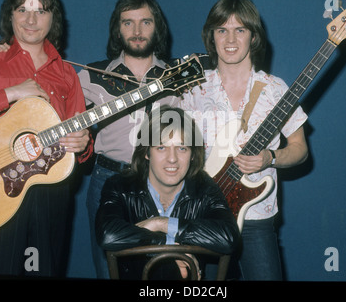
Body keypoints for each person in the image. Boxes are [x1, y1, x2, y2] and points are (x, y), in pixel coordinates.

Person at [0, 0, 91, 277]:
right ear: (10, 15)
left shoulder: (66, 74)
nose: (31, 20)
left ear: (52, 18)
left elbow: (80, 141)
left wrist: (83, 144)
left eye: (41, 11)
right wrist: (9, 94)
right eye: (23, 9)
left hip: (51, 192)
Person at [179, 0, 309, 280]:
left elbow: (300, 149)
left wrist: (270, 158)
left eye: (240, 30)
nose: (230, 39)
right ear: (211, 37)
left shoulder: (276, 89)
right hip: (204, 214)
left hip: (257, 216)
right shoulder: (194, 89)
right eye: (221, 29)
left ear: (253, 37)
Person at [77, 0, 179, 278]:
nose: (136, 32)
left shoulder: (178, 76)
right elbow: (53, 106)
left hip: (161, 184)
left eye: (145, 22)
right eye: (128, 23)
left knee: (161, 271)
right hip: (106, 180)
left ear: (157, 27)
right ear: (117, 28)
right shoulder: (91, 75)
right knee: (109, 269)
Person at [95, 106, 240, 280]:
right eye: (161, 148)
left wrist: (160, 223)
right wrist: (170, 244)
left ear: (193, 154)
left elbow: (228, 237)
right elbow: (108, 235)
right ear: (147, 152)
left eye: (182, 148)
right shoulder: (120, 186)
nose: (172, 158)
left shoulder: (204, 188)